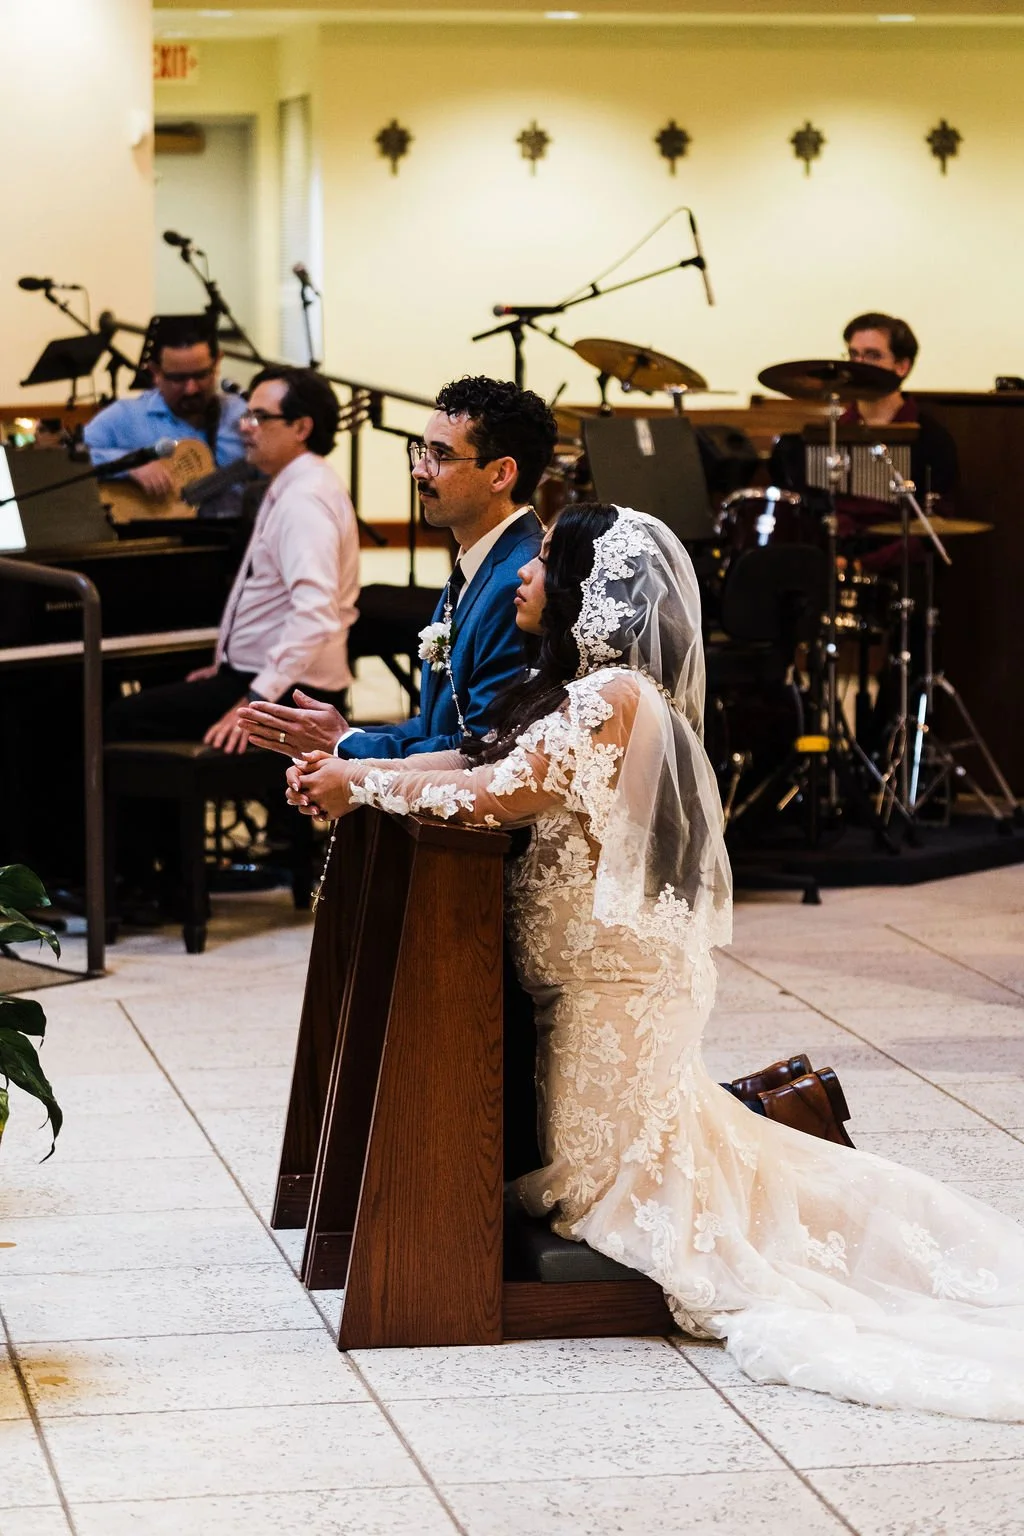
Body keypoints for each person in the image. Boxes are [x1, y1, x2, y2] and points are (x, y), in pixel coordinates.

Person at [285, 503, 1024, 1422]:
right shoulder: (581, 693)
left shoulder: (613, 699)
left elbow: (492, 797)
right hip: (591, 981)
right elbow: (476, 753)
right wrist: (353, 761)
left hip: (614, 986)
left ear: (592, 593)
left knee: (598, 1192)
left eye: (545, 562)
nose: (523, 574)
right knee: (622, 1168)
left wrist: (360, 787)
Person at [239, 374, 557, 759]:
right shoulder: (483, 558)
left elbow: (481, 746)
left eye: (441, 456)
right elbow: (434, 727)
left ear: (500, 474)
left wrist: (344, 745)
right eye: (422, 452)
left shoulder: (519, 579)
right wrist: (347, 734)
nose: (419, 470)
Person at [106, 365, 359, 751]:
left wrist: (255, 701)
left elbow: (315, 614)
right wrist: (226, 663)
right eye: (246, 414)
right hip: (268, 678)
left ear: (301, 428)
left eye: (259, 416)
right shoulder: (297, 484)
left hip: (294, 693)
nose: (245, 426)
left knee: (120, 721)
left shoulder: (304, 499)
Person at [83, 315, 248, 516]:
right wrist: (128, 464)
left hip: (233, 540)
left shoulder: (242, 414)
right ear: (155, 372)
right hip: (153, 541)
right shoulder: (126, 416)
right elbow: (68, 461)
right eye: (177, 379)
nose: (191, 389)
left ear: (217, 363)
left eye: (200, 375)